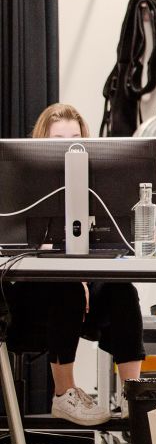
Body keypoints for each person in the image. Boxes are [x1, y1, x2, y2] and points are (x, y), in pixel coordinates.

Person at [3, 103, 146, 425]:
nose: (68, 145)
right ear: (42, 141)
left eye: (75, 137)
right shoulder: (22, 180)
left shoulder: (98, 182)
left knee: (122, 291)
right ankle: (63, 394)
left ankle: (133, 395)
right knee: (66, 286)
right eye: (59, 138)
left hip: (77, 292)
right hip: (28, 302)